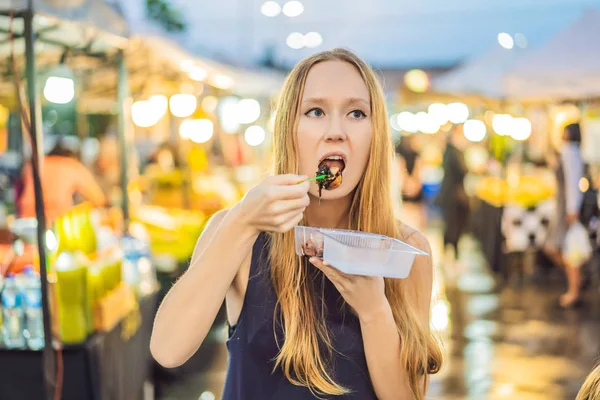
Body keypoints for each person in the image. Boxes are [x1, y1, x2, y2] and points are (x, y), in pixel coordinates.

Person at [150, 49, 442, 400]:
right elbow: (167, 350)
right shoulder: (239, 231)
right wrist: (242, 222)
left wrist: (374, 311)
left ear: (375, 136)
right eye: (315, 111)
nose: (336, 131)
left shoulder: (407, 253)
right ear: (289, 129)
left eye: (356, 113)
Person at [18, 138, 106, 222]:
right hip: (57, 219)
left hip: (25, 216)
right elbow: (98, 199)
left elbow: (20, 188)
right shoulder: (72, 165)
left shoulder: (34, 165)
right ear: (72, 156)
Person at [545, 123, 585, 307]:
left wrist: (572, 209)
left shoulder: (571, 153)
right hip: (564, 206)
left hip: (567, 208)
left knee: (568, 250)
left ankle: (574, 288)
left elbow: (572, 183)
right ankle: (576, 281)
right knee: (560, 248)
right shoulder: (568, 152)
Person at [437, 124, 469, 264]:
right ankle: (450, 252)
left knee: (451, 224)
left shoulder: (450, 151)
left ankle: (450, 252)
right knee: (452, 224)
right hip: (453, 196)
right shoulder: (453, 151)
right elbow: (461, 171)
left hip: (451, 194)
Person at [396, 135, 426, 230]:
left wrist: (408, 183)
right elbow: (418, 171)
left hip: (406, 188)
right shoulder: (416, 155)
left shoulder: (400, 155)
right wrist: (412, 183)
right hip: (408, 189)